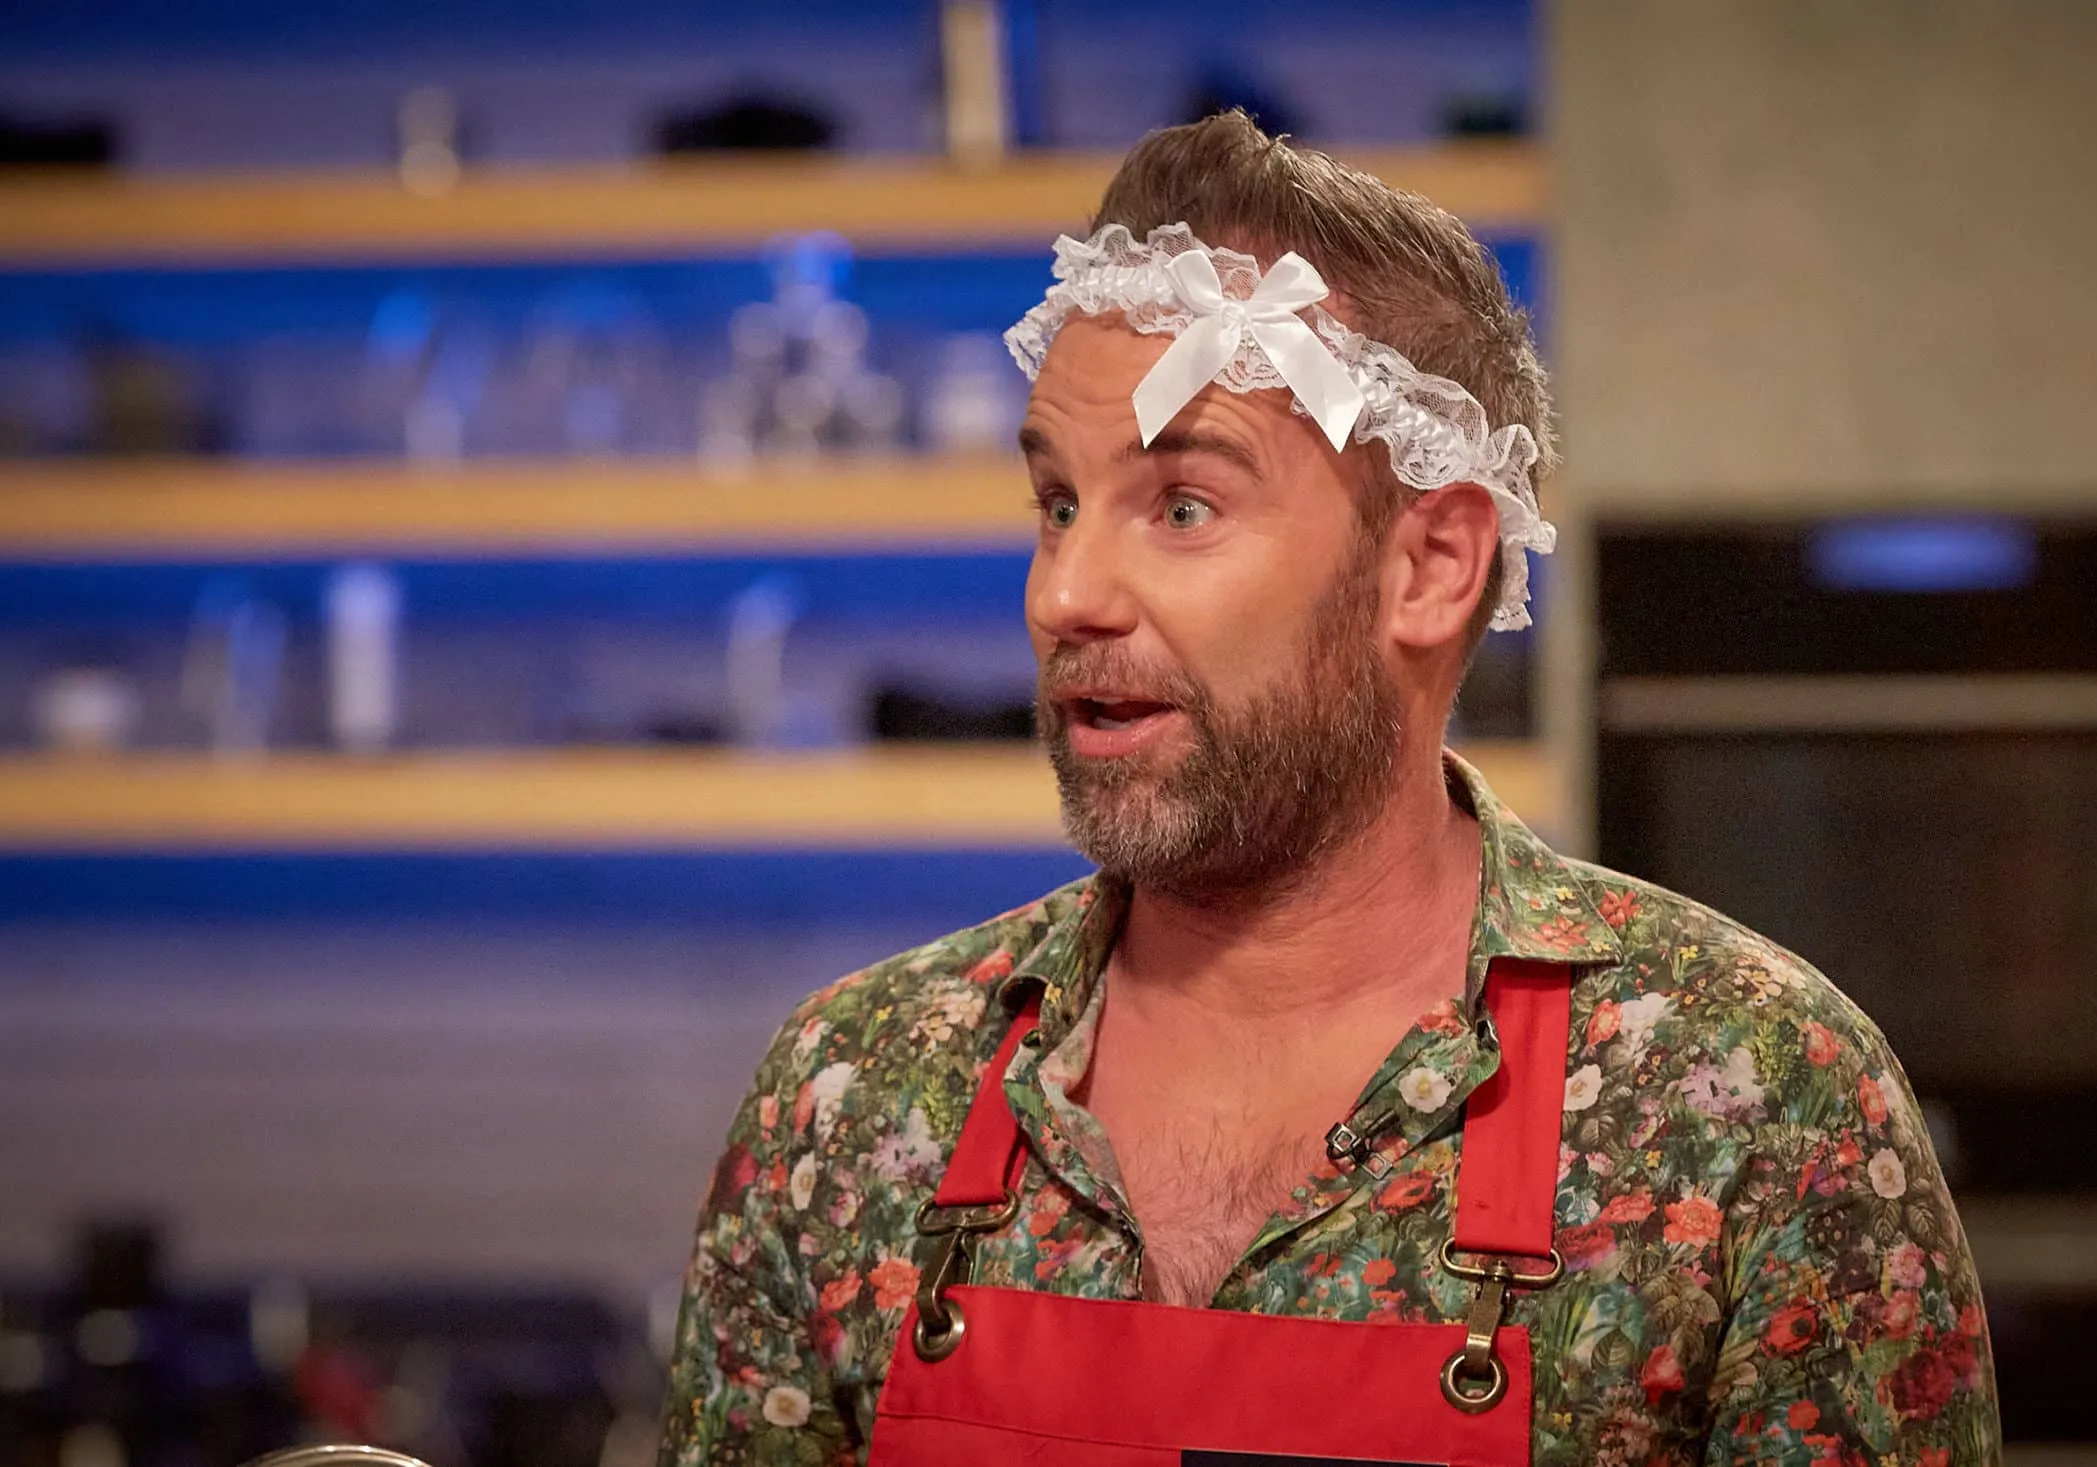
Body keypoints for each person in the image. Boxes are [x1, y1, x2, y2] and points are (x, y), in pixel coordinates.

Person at [658, 112, 1999, 1466]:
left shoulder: (1755, 1107)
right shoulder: (848, 1101)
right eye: (1057, 504)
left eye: (1183, 507)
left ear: (1430, 567)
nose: (1065, 595)